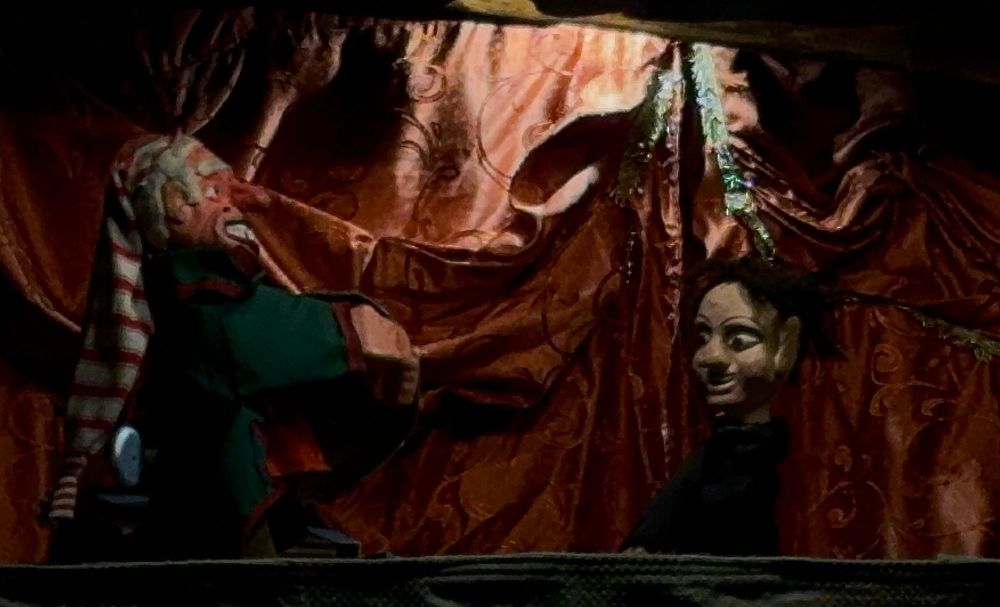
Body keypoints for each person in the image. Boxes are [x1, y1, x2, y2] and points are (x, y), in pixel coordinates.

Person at [48, 134, 420, 559]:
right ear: (173, 206)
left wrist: (374, 373)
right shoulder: (193, 302)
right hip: (200, 521)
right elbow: (241, 339)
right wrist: (356, 329)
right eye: (214, 193)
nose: (243, 204)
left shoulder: (215, 297)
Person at [621, 256, 834, 556]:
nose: (709, 357)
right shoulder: (713, 456)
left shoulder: (796, 465)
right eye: (703, 337)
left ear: (785, 347)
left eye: (739, 339)